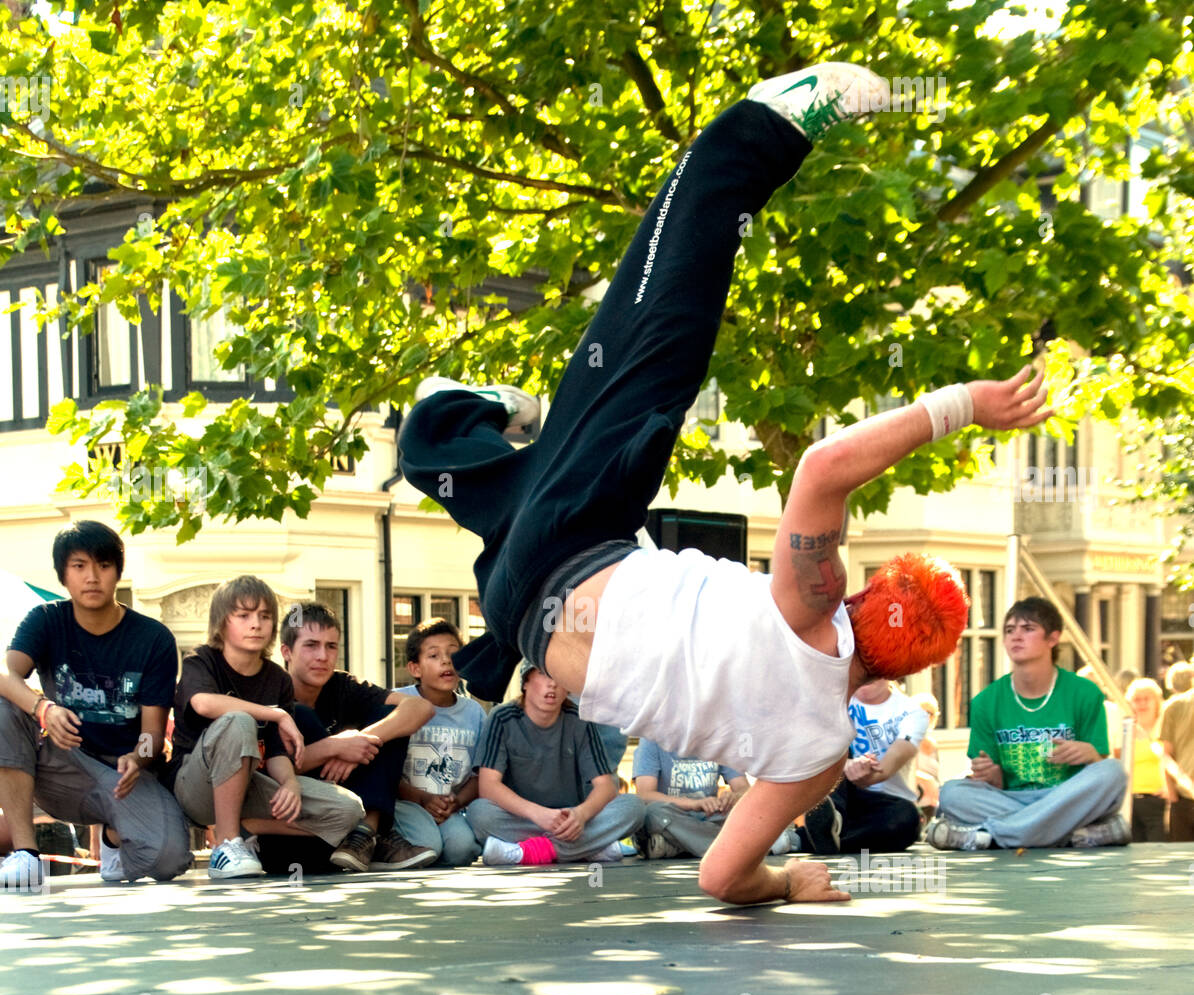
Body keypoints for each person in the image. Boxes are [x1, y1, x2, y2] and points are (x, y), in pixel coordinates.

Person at [400, 61, 1054, 905]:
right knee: (463, 465)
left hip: (575, 541)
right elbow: (721, 876)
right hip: (522, 615)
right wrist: (788, 881)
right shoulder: (819, 760)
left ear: (867, 599)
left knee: (661, 334)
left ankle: (762, 131)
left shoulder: (813, 604)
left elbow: (823, 467)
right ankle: (471, 421)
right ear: (917, 668)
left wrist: (964, 404)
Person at [0, 521, 191, 891]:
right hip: (58, 764)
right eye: (79, 566)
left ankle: (113, 839)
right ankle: (25, 855)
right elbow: (7, 677)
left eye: (103, 565)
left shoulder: (153, 639)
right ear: (63, 574)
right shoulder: (46, 620)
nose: (92, 577)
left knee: (169, 859)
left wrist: (139, 756)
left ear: (118, 572)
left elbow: (153, 734)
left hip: (120, 776)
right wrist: (44, 710)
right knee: (5, 707)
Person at [165, 576, 364, 880]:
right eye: (243, 616)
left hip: (248, 784)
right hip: (194, 786)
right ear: (222, 622)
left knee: (348, 810)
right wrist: (276, 714)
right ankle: (227, 845)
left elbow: (275, 749)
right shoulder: (201, 659)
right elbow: (203, 704)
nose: (256, 624)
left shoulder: (277, 679)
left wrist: (290, 784)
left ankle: (242, 828)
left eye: (265, 616)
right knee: (238, 721)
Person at [927, 598, 1128, 850]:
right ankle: (1067, 835)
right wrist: (991, 775)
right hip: (1012, 799)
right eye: (1010, 630)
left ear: (1053, 639)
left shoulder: (1085, 693)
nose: (1016, 637)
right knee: (952, 793)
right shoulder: (985, 702)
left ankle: (988, 836)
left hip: (1067, 797)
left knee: (1113, 772)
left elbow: (1098, 773)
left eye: (1028, 629)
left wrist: (1090, 754)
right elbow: (996, 784)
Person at [279, 602, 438, 871]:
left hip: (354, 806)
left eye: (331, 646)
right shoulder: (272, 694)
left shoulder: (342, 685)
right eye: (311, 645)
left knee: (392, 716)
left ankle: (366, 833)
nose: (323, 656)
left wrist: (361, 741)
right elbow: (269, 771)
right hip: (299, 820)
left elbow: (420, 707)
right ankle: (368, 839)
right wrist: (335, 747)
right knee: (303, 717)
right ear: (287, 652)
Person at [466, 660, 645, 866]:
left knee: (634, 807)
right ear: (525, 682)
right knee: (479, 812)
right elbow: (488, 786)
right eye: (544, 674)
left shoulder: (579, 720)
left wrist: (581, 815)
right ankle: (588, 847)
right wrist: (538, 814)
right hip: (523, 816)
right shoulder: (502, 718)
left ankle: (524, 852)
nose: (552, 684)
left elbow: (605, 785)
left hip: (571, 818)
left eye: (559, 677)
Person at [391, 618, 486, 867]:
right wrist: (421, 798)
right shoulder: (398, 702)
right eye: (434, 655)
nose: (446, 661)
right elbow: (382, 769)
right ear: (415, 668)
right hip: (405, 803)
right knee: (428, 846)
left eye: (453, 653)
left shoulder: (474, 713)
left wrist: (457, 802)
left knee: (462, 849)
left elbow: (480, 774)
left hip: (448, 806)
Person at [799, 678, 927, 854]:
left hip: (884, 805)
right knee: (835, 748)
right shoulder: (832, 702)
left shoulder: (912, 711)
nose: (869, 672)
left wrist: (872, 770)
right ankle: (834, 819)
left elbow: (899, 752)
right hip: (838, 793)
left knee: (908, 817)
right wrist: (846, 765)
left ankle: (803, 839)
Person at [632, 738, 749, 859]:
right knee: (652, 811)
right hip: (672, 816)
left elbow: (744, 788)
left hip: (710, 816)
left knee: (747, 809)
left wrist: (734, 797)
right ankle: (738, 847)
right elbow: (645, 794)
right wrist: (694, 804)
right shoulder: (652, 739)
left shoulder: (721, 737)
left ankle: (677, 846)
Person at [1112, 677, 1167, 841]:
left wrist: (1168, 788)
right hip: (1130, 803)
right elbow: (1117, 764)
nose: (1142, 704)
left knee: (1158, 852)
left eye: (1146, 699)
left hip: (1158, 802)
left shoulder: (1165, 728)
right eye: (1137, 699)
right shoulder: (1125, 731)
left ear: (1156, 701)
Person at [1161, 669, 1194, 841]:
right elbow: (1166, 755)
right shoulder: (1175, 706)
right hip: (1184, 799)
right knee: (1182, 862)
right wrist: (1173, 797)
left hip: (1182, 799)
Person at [910, 691, 941, 821]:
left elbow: (936, 776)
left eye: (930, 713)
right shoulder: (907, 740)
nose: (927, 717)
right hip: (915, 801)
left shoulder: (933, 744)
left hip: (933, 804)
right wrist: (928, 781)